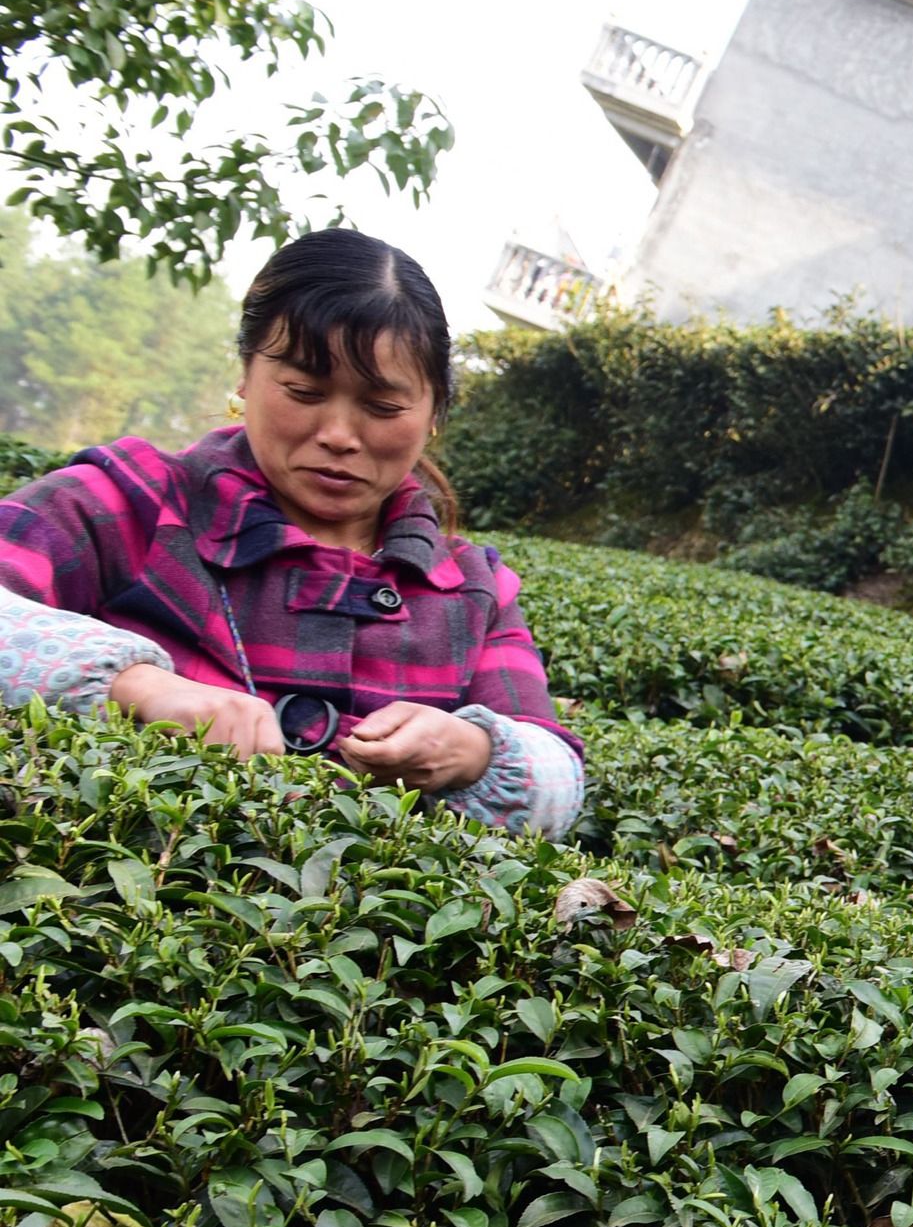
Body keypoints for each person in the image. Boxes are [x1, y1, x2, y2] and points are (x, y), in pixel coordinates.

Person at [0, 228, 582, 836]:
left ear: (435, 415)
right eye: (304, 391)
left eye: (383, 408)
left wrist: (471, 750)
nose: (338, 434)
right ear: (246, 378)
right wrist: (139, 687)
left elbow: (558, 783)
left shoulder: (470, 588)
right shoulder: (132, 502)